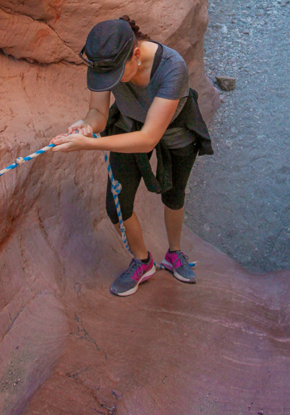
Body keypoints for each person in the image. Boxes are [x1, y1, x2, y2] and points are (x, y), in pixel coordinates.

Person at [51, 17, 212, 296]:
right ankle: (143, 261)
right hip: (128, 123)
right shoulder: (105, 61)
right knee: (116, 205)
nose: (109, 82)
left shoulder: (172, 67)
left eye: (114, 75)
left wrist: (87, 145)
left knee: (174, 195)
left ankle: (174, 254)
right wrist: (86, 126)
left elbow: (149, 137)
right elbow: (99, 113)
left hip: (174, 130)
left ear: (135, 55)